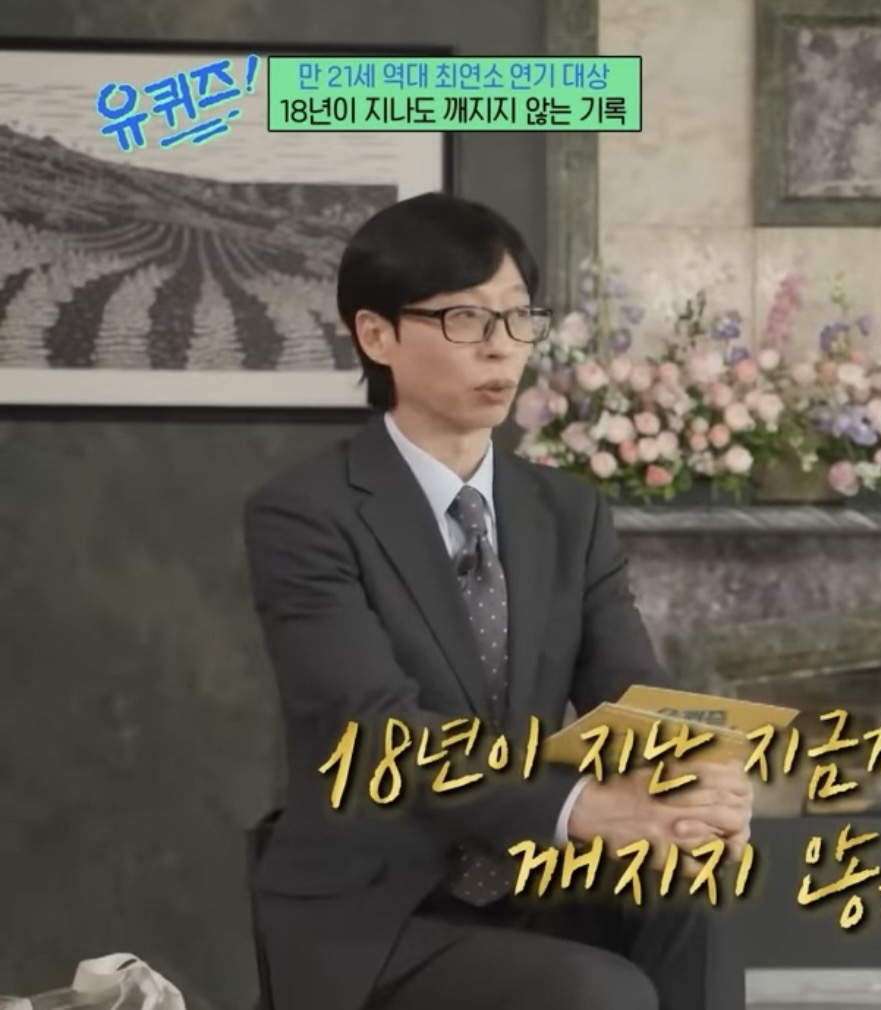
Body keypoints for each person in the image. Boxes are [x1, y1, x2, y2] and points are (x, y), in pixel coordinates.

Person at [243, 192, 750, 1010]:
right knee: (598, 992)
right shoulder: (306, 514)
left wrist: (697, 778)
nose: (501, 346)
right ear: (376, 335)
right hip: (380, 910)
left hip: (539, 879)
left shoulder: (567, 511)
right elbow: (377, 736)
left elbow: (630, 694)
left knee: (698, 893)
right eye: (465, 319)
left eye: (517, 317)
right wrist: (582, 808)